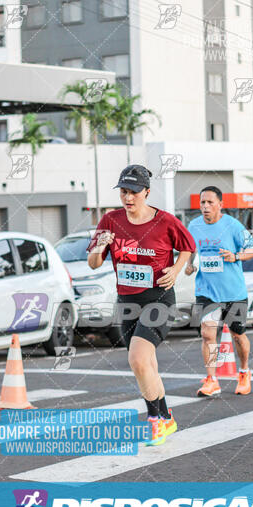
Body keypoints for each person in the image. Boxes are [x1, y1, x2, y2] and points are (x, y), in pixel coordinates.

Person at [87, 164, 195, 446]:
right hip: (126, 302)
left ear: (146, 192)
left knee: (137, 359)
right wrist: (101, 245)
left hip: (158, 299)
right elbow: (94, 262)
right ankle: (166, 418)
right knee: (146, 366)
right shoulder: (110, 221)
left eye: (134, 192)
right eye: (124, 192)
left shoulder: (166, 221)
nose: (128, 197)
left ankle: (155, 420)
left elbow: (187, 246)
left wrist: (177, 268)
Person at [185, 186, 253, 397]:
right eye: (202, 202)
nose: (205, 206)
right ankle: (212, 380)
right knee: (207, 333)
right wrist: (189, 265)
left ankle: (244, 371)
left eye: (209, 202)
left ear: (220, 204)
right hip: (206, 290)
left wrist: (235, 256)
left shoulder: (232, 225)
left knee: (238, 335)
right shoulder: (194, 225)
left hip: (233, 292)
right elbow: (191, 249)